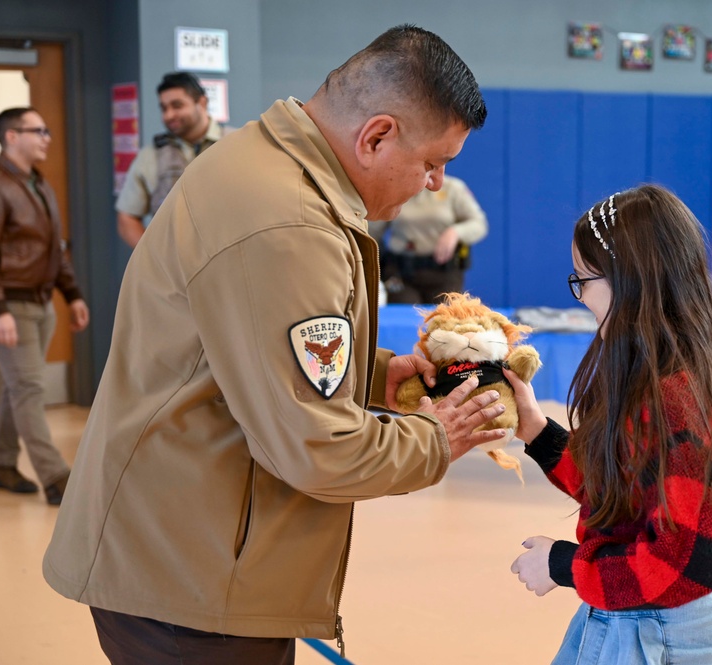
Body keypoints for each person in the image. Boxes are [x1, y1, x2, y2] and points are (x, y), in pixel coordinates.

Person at [43, 25, 499, 665]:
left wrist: (375, 373)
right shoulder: (290, 225)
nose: (434, 183)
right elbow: (318, 449)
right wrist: (435, 439)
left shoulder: (262, 159)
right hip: (190, 587)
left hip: (180, 552)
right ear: (375, 136)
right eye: (432, 163)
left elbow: (243, 351)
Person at [506, 184, 712, 664]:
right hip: (624, 613)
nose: (580, 297)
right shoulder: (649, 374)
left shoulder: (678, 399)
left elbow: (685, 565)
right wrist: (534, 428)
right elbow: (618, 490)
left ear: (631, 280)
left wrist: (564, 566)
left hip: (663, 630)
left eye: (584, 280)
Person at [0, 107, 90, 506]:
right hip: (11, 305)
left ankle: (0, 461)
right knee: (30, 387)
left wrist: (72, 294)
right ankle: (56, 477)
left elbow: (55, 248)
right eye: (39, 131)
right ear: (12, 136)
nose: (47, 137)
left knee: (17, 386)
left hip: (42, 302)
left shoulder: (38, 184)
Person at [115, 71, 231, 247]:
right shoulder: (151, 156)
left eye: (177, 106)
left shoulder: (235, 143)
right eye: (164, 108)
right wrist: (154, 259)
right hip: (177, 269)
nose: (169, 115)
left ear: (202, 103)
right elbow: (127, 218)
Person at [371, 174, 488, 304]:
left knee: (445, 318)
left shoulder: (452, 188)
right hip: (402, 272)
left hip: (445, 271)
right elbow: (372, 231)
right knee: (407, 315)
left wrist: (455, 232)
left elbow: (478, 223)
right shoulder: (393, 189)